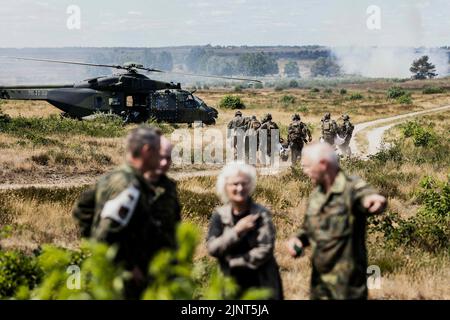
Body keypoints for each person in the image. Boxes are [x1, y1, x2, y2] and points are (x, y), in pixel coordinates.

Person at [73, 126, 164, 299]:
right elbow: (106, 234)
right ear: (147, 151)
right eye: (158, 151)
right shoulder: (129, 186)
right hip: (123, 282)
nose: (161, 158)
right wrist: (128, 267)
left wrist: (88, 236)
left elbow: (82, 208)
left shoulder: (111, 177)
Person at [286, 143, 387, 300]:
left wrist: (374, 200)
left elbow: (366, 195)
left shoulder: (350, 187)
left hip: (347, 287)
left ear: (323, 164)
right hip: (319, 284)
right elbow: (310, 228)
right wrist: (298, 239)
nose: (305, 172)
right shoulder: (316, 195)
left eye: (307, 166)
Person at [206, 162, 283, 299]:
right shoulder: (219, 215)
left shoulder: (261, 214)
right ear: (226, 187)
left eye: (244, 183)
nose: (240, 188)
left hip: (261, 284)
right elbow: (212, 248)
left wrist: (233, 262)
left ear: (251, 185)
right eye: (235, 184)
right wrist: (236, 231)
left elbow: (265, 250)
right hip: (229, 285)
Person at [144, 136, 181, 250]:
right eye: (160, 157)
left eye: (168, 158)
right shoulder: (129, 183)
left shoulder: (169, 186)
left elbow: (176, 222)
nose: (164, 163)